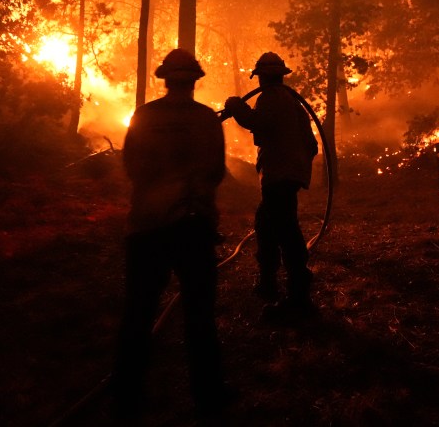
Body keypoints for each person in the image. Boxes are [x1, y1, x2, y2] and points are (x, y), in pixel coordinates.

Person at [112, 48, 233, 421]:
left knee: (138, 312)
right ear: (195, 80)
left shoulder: (144, 116)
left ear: (164, 79)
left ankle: (126, 397)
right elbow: (215, 171)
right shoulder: (205, 120)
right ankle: (208, 397)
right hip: (192, 228)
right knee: (199, 316)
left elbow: (131, 164)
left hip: (146, 226)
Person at [224, 52, 318, 314]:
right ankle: (268, 283)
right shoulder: (290, 101)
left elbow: (255, 122)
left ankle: (298, 297)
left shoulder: (271, 98)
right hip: (286, 174)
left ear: (263, 76)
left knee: (285, 231)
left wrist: (235, 106)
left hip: (279, 176)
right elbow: (311, 144)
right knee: (266, 224)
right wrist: (297, 168)